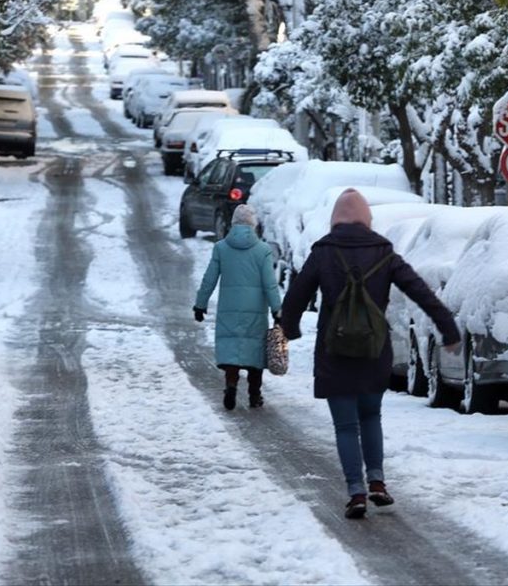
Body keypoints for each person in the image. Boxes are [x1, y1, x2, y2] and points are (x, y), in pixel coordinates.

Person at [280, 189, 461, 519]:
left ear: (335, 218)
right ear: (366, 218)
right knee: (370, 416)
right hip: (374, 350)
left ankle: (356, 491)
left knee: (346, 426)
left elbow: (296, 296)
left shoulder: (323, 252)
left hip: (334, 350)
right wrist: (448, 329)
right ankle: (377, 480)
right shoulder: (383, 252)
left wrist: (288, 330)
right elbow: (420, 291)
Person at [194, 204, 282, 410]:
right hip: (255, 311)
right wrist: (277, 310)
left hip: (229, 310)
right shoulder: (263, 250)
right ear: (253, 224)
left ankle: (231, 385)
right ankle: (254, 395)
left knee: (232, 350)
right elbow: (270, 284)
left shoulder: (221, 248)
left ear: (233, 223)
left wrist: (200, 304)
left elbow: (209, 279)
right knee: (255, 353)